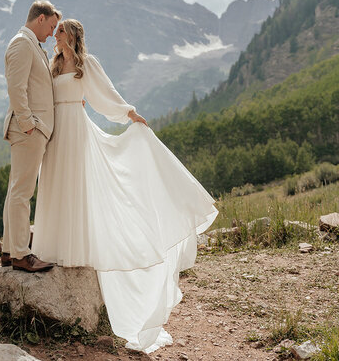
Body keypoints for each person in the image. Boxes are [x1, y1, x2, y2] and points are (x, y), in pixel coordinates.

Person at [31, 19, 218, 352]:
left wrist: (129, 114)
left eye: (60, 31)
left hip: (76, 130)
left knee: (76, 189)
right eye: (54, 29)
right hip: (56, 132)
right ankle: (52, 249)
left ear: (72, 35)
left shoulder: (86, 63)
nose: (54, 34)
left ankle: (75, 251)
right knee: (55, 187)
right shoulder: (53, 63)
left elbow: (105, 94)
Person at [0, 0, 61, 273]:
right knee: (22, 193)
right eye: (50, 26)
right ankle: (22, 255)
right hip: (28, 129)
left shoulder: (33, 45)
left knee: (17, 189)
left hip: (32, 129)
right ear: (40, 18)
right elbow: (16, 88)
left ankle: (8, 251)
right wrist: (28, 124)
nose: (51, 33)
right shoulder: (22, 43)